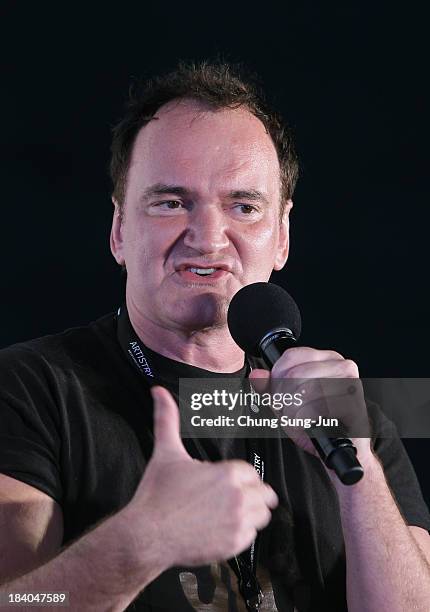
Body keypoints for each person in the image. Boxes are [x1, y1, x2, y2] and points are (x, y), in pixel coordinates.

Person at [0, 62, 429, 612]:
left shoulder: (352, 420)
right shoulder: (30, 391)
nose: (207, 239)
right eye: (171, 202)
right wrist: (137, 544)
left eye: (243, 207)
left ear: (282, 237)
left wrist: (358, 474)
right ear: (118, 231)